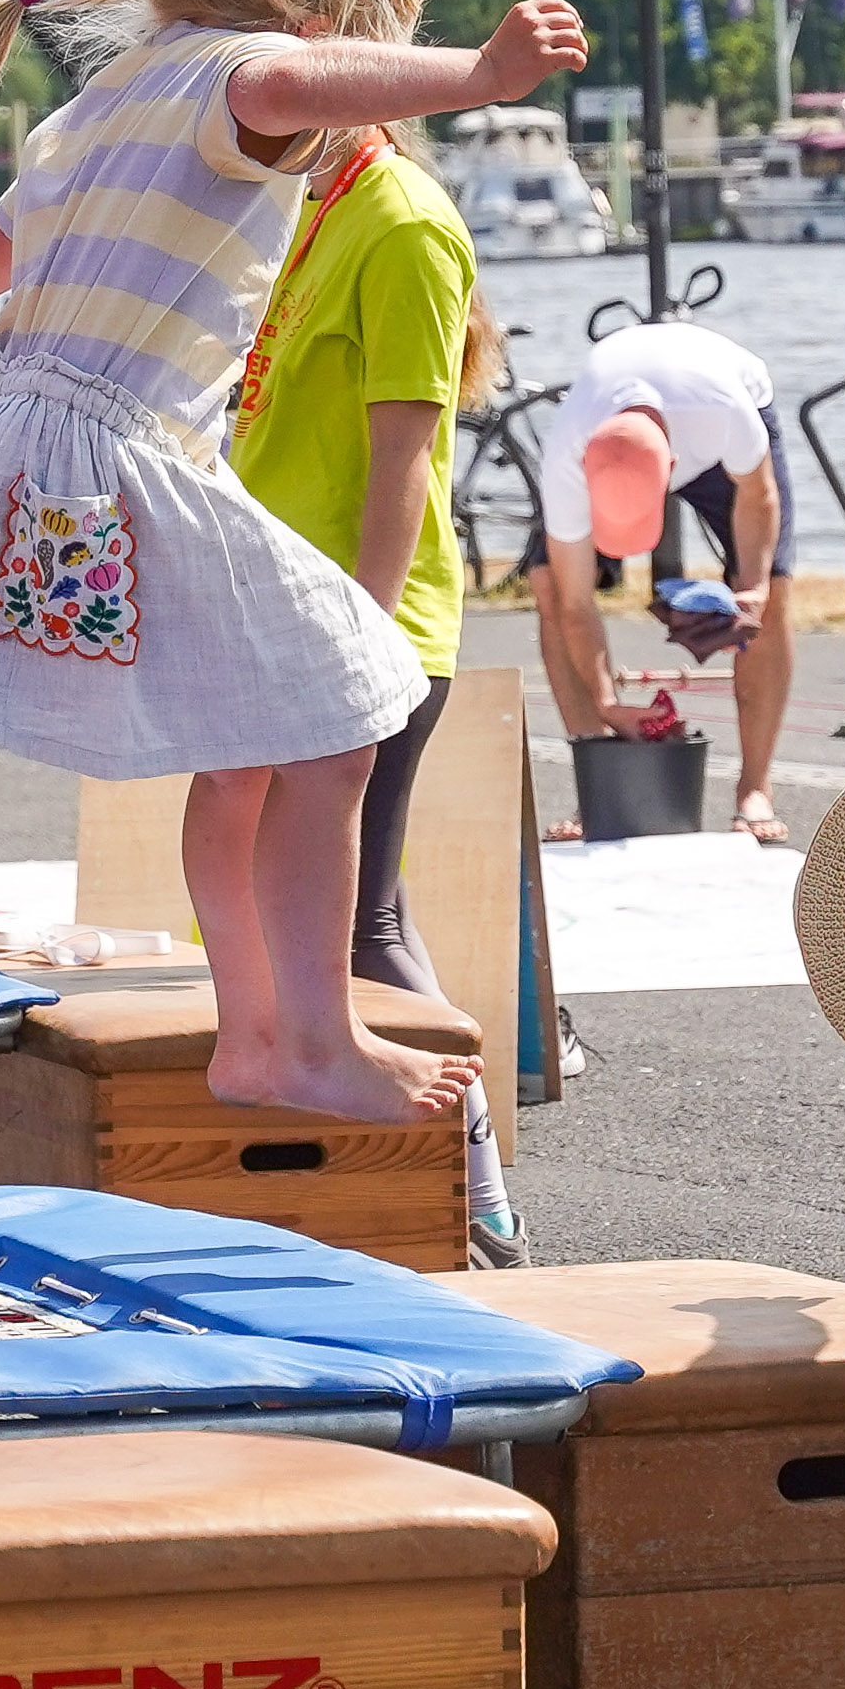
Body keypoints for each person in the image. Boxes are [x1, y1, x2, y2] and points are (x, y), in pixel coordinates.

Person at [0, 0, 585, 1126]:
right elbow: (296, 76)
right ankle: (309, 1036)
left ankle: (255, 1035)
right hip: (114, 467)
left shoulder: (96, 104)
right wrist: (482, 75)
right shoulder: (244, 73)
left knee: (248, 749)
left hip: (21, 479)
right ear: (328, 10)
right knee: (347, 709)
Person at [231, 122, 529, 1262]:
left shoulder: (399, 218)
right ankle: (361, 1190)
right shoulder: (307, 201)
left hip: (364, 625)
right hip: (281, 613)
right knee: (301, 911)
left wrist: (361, 630)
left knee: (363, 919)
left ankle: (477, 1182)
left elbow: (406, 455)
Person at [524, 320, 798, 841]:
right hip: (622, 421)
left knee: (776, 591)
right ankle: (601, 784)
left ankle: (754, 789)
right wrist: (606, 702)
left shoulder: (724, 411)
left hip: (717, 423)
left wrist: (753, 589)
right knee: (550, 587)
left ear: (672, 468)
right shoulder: (568, 456)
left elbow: (758, 495)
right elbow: (576, 604)